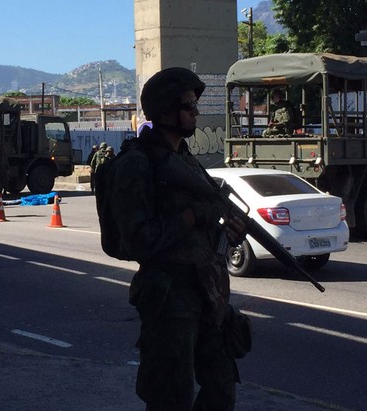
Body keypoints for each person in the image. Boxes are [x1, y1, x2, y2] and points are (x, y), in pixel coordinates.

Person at [109, 67, 246, 410]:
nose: (196, 111)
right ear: (166, 111)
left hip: (207, 292)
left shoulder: (183, 160)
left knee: (222, 386)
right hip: (169, 297)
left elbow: (205, 227)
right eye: (188, 105)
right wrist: (192, 216)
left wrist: (226, 233)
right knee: (172, 397)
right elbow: (139, 240)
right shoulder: (138, 164)